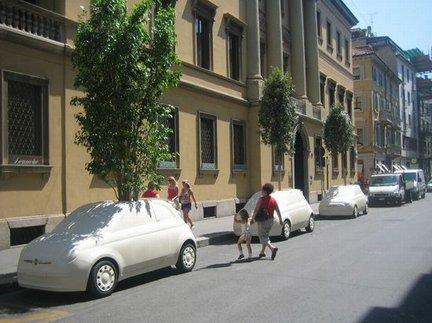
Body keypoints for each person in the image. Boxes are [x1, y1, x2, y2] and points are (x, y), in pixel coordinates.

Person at [251, 183, 283, 260]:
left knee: (262, 236)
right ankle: (262, 252)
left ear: (265, 192)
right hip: (271, 220)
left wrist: (252, 218)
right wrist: (280, 220)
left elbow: (256, 210)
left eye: (262, 190)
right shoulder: (273, 200)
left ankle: (272, 248)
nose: (261, 191)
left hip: (263, 220)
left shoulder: (261, 200)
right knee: (265, 235)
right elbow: (278, 210)